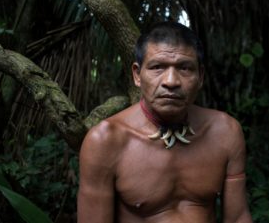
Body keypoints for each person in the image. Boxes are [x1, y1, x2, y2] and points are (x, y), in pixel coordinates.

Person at [77, 21, 252, 223]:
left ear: (200, 76)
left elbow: (238, 217)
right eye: (157, 67)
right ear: (137, 75)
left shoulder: (225, 131)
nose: (171, 81)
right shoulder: (105, 141)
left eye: (184, 68)